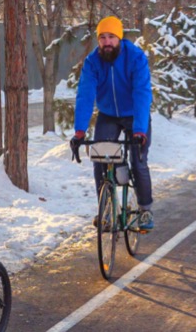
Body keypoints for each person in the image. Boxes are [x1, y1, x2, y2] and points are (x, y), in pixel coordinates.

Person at [72, 16, 156, 231]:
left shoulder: (135, 58)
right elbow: (85, 94)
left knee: (138, 161)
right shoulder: (93, 62)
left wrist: (139, 130)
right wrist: (80, 131)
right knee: (100, 158)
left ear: (119, 38)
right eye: (102, 38)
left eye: (111, 37)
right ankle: (107, 209)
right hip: (108, 114)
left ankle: (145, 209)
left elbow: (142, 94)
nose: (107, 42)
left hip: (135, 114)